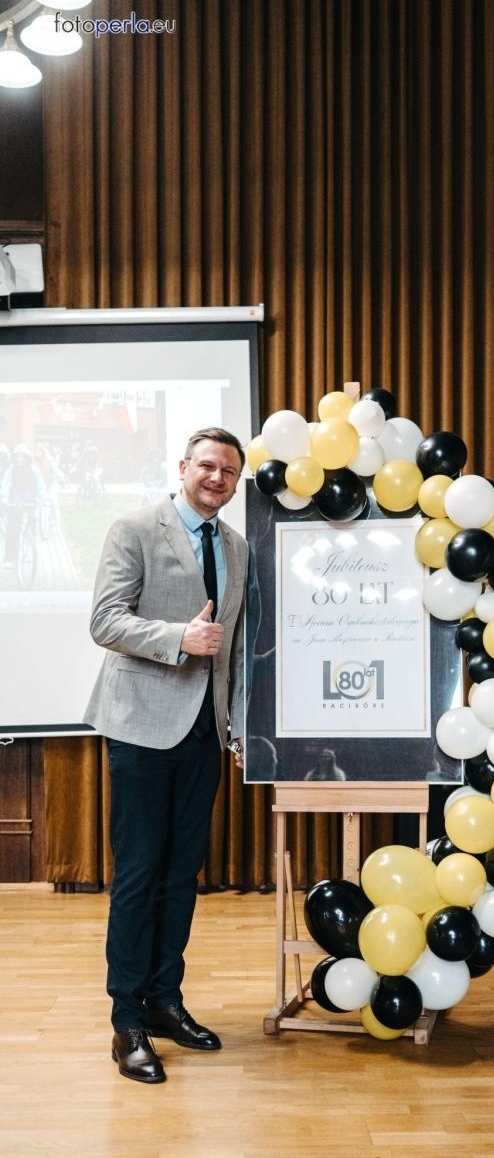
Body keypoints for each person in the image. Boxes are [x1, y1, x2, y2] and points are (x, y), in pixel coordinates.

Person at [85, 427, 249, 1085]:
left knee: (182, 875)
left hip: (204, 733)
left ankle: (163, 1001)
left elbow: (233, 646)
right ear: (183, 467)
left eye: (229, 471)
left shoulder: (236, 546)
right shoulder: (133, 528)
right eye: (207, 465)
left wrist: (236, 725)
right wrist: (178, 636)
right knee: (138, 875)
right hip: (141, 729)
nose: (217, 478)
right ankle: (126, 1020)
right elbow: (104, 620)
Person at [0, 443, 48, 567]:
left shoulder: (33, 470)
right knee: (12, 529)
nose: (20, 459)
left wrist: (44, 499)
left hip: (30, 502)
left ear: (27, 458)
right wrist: (4, 497)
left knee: (32, 525)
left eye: (22, 457)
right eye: (17, 457)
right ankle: (9, 558)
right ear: (14, 458)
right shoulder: (11, 470)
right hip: (14, 503)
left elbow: (40, 485)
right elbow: (6, 483)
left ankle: (28, 549)